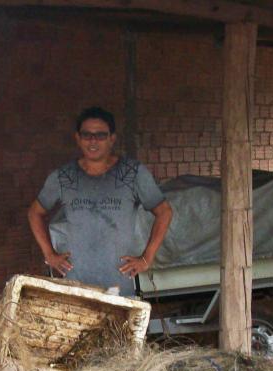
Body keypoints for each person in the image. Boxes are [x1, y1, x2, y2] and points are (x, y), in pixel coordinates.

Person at [28, 107, 173, 296]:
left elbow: (164, 211)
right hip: (77, 284)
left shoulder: (132, 173)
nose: (93, 141)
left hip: (120, 284)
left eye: (100, 135)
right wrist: (50, 255)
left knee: (119, 326)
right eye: (87, 135)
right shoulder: (64, 177)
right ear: (78, 138)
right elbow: (35, 212)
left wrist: (147, 258)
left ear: (112, 138)